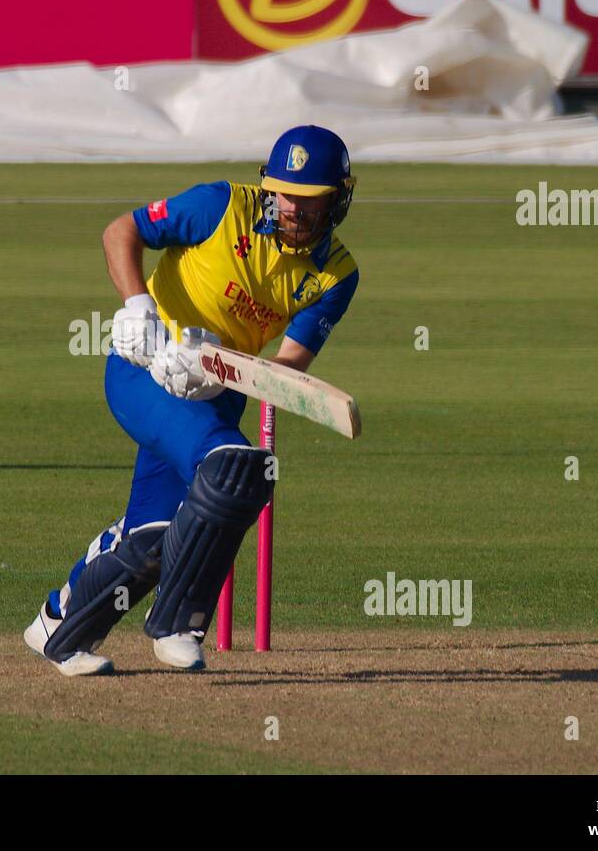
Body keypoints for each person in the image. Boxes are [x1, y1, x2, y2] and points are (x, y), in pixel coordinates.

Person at [24, 125, 360, 675]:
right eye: (284, 193)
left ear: (338, 200)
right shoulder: (220, 207)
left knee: (155, 537)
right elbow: (121, 231)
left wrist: (220, 370)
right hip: (144, 371)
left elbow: (290, 365)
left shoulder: (336, 274)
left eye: (309, 200)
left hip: (217, 398)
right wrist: (138, 307)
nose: (292, 208)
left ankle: (59, 629)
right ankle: (177, 623)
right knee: (238, 471)